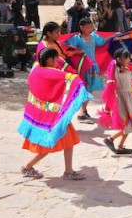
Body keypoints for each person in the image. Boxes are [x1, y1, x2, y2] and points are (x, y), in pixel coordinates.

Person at [17, 47, 90, 179]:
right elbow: (72, 79)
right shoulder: (51, 73)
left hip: (46, 116)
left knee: (68, 142)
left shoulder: (37, 70)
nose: (58, 63)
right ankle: (27, 167)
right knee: (48, 146)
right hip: (53, 119)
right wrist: (79, 82)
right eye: (57, 60)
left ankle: (68, 171)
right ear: (50, 60)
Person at [65, 18, 109, 120]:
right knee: (84, 89)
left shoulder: (93, 36)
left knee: (91, 88)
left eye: (91, 26)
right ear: (81, 27)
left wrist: (115, 37)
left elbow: (103, 41)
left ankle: (83, 110)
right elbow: (67, 47)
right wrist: (77, 52)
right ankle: (81, 112)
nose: (90, 29)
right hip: (83, 67)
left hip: (93, 66)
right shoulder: (77, 38)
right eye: (87, 27)